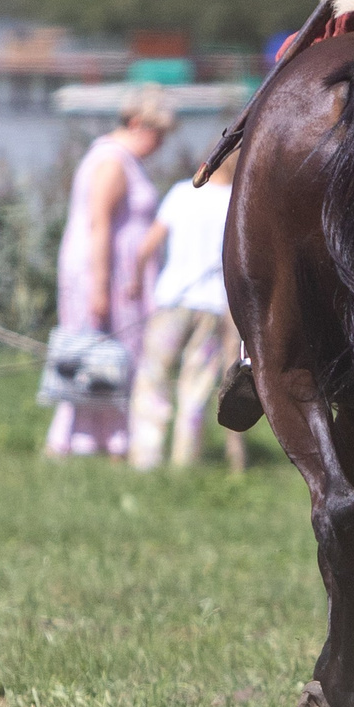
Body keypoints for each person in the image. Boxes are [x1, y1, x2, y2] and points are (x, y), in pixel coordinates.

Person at [45, 89, 173, 459]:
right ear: (136, 124)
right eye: (158, 134)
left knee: (110, 356)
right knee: (102, 354)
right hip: (106, 274)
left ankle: (104, 438)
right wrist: (99, 287)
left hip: (118, 275)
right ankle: (84, 438)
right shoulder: (113, 162)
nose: (161, 144)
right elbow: (99, 222)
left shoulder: (119, 159)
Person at [128, 153, 241, 472]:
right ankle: (184, 461)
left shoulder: (182, 192)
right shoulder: (236, 202)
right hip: (213, 306)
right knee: (196, 386)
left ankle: (145, 458)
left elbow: (147, 247)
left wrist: (137, 281)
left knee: (153, 377)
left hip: (173, 300)